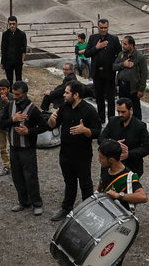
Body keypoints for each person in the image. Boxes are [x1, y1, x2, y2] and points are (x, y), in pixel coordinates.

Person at [47, 80, 102, 221]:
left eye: (67, 92)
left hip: (82, 155)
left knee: (85, 184)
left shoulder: (89, 110)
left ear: (76, 95)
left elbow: (97, 132)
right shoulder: (64, 107)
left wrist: (85, 130)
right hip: (65, 153)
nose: (64, 95)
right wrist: (52, 119)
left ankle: (88, 212)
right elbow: (52, 125)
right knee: (69, 182)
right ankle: (66, 208)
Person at [0, 80, 49, 215]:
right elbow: (1, 124)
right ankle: (23, 201)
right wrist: (13, 120)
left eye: (18, 95)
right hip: (14, 148)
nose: (15, 97)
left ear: (25, 94)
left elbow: (44, 126)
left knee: (30, 177)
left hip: (27, 149)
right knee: (17, 177)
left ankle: (37, 203)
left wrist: (29, 132)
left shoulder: (32, 109)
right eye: (14, 94)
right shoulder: (9, 106)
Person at [101, 97, 149, 177]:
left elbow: (147, 148)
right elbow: (101, 138)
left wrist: (129, 154)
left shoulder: (140, 126)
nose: (120, 114)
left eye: (123, 112)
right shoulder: (113, 121)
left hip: (131, 168)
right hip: (111, 167)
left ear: (131, 110)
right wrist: (113, 144)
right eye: (118, 111)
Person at [87, 18, 121, 122]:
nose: (103, 30)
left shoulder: (114, 39)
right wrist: (97, 47)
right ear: (98, 28)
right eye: (101, 28)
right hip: (97, 73)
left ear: (108, 27)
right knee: (99, 97)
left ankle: (111, 119)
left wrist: (114, 65)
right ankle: (101, 118)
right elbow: (86, 54)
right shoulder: (93, 38)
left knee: (110, 98)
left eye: (105, 28)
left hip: (109, 73)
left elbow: (119, 54)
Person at [98, 139, 148, 209]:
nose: (98, 160)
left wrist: (119, 195)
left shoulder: (129, 177)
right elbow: (100, 187)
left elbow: (143, 197)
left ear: (111, 160)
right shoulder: (105, 168)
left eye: (101, 158)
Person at [113, 35, 148, 120]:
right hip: (122, 86)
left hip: (133, 88)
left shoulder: (140, 57)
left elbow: (144, 74)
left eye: (125, 44)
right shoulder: (121, 55)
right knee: (122, 107)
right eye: (122, 44)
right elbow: (114, 67)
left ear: (131, 45)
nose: (123, 46)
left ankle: (138, 127)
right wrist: (123, 64)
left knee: (135, 109)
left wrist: (141, 89)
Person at [0, 15, 27, 84]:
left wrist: (22, 61)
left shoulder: (21, 34)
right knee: (9, 80)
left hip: (18, 61)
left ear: (17, 24)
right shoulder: (5, 34)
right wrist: (3, 62)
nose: (12, 26)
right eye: (10, 24)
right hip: (8, 61)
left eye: (13, 24)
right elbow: (3, 49)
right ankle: (10, 93)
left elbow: (24, 49)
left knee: (18, 80)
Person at [0, 78, 12, 176]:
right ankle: (6, 165)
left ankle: (14, 164)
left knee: (12, 146)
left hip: (9, 126)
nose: (1, 91)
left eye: (3, 89)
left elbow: (14, 110)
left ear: (8, 89)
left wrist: (7, 102)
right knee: (2, 148)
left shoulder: (12, 98)